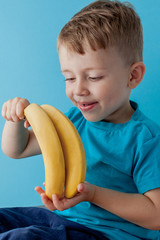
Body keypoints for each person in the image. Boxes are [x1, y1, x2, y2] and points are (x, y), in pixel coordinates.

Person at [1, 0, 160, 239]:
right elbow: (18, 149)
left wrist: (93, 194)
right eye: (69, 78)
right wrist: (13, 120)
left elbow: (156, 215)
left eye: (93, 77)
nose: (79, 90)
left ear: (133, 75)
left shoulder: (145, 138)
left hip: (106, 233)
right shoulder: (74, 119)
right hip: (60, 219)